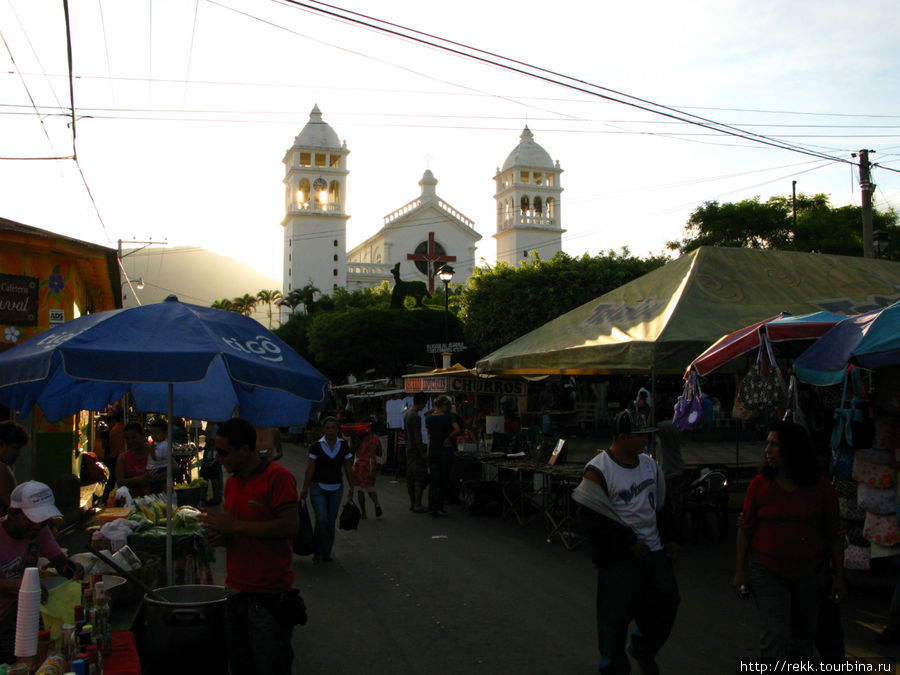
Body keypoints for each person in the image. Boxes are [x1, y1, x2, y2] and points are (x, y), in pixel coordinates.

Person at [573, 409, 680, 674]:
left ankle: (643, 649)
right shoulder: (598, 470)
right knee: (614, 621)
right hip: (619, 559)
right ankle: (614, 668)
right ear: (622, 437)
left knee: (667, 602)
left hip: (654, 552)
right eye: (639, 436)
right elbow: (591, 518)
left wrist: (673, 537)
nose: (645, 440)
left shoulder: (649, 464)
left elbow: (664, 505)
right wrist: (627, 543)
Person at [733, 420, 844, 662]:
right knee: (776, 634)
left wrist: (839, 577)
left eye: (775, 445)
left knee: (802, 639)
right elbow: (746, 529)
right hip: (768, 570)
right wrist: (740, 570)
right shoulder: (760, 485)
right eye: (768, 444)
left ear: (792, 450)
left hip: (811, 572)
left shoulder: (821, 488)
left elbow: (833, 534)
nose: (768, 450)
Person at [198, 418, 299, 675]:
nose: (219, 459)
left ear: (244, 450)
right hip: (235, 592)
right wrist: (220, 536)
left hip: (268, 597)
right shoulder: (232, 484)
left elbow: (289, 527)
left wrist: (234, 527)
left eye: (224, 452)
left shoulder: (277, 477)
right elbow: (234, 530)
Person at [0, 481, 84, 664]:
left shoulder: (39, 531)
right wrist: (23, 586)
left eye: (42, 522)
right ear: (13, 513)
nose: (37, 527)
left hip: (22, 619)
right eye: (31, 521)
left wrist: (71, 569)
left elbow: (61, 563)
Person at [299, 417, 354, 563]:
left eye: (333, 428)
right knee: (322, 519)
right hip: (318, 487)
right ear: (323, 430)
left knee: (330, 521)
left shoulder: (343, 446)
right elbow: (310, 468)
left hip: (336, 487)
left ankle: (326, 552)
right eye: (328, 428)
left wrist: (352, 487)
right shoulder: (316, 446)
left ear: (337, 430)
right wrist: (305, 487)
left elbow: (348, 467)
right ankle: (318, 551)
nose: (330, 430)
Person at [425, 395, 460, 517]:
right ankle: (439, 507)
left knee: (434, 481)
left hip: (433, 451)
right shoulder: (448, 418)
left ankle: (431, 506)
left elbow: (426, 414)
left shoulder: (429, 419)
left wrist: (433, 411)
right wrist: (448, 437)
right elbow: (457, 429)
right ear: (444, 405)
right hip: (445, 452)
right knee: (443, 480)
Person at [115, 422, 165, 498]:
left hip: (157, 499)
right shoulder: (123, 458)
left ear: (142, 435)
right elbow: (120, 482)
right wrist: (138, 480)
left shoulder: (155, 450)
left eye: (134, 437)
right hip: (132, 501)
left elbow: (174, 468)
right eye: (127, 439)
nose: (131, 441)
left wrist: (155, 477)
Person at [352, 421, 383, 519]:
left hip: (360, 464)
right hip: (371, 464)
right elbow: (379, 453)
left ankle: (364, 513)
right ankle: (377, 504)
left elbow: (353, 449)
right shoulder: (376, 439)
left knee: (359, 489)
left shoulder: (360, 438)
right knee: (370, 487)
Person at [404, 393, 429, 513]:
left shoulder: (408, 414)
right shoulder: (415, 417)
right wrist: (422, 452)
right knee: (420, 477)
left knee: (411, 478)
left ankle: (412, 502)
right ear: (422, 402)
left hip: (409, 450)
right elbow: (417, 436)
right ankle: (417, 504)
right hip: (415, 451)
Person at [0, 422, 27, 518]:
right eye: (15, 448)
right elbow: (17, 508)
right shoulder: (2, 470)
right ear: (1, 444)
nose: (18, 454)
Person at [101, 409, 125, 503]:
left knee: (113, 478)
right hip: (116, 456)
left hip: (114, 455)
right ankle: (107, 498)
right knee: (114, 479)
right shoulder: (120, 429)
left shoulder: (115, 428)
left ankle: (107, 497)